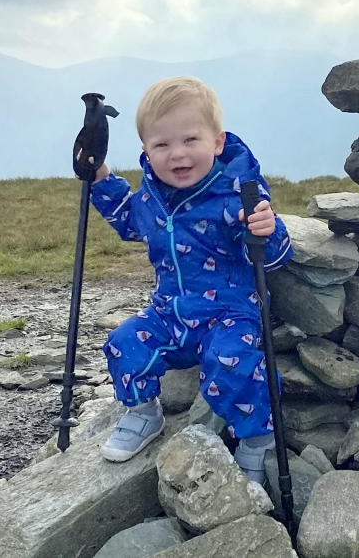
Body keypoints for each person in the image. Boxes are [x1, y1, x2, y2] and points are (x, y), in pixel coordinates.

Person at [83, 76, 293, 483]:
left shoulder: (238, 198)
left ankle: (258, 439)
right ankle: (144, 413)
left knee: (234, 366)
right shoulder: (152, 198)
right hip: (170, 314)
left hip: (228, 314)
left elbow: (274, 259)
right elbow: (127, 218)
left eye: (190, 140)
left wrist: (269, 229)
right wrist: (98, 174)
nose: (177, 155)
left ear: (217, 141)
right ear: (146, 150)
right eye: (161, 145)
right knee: (123, 342)